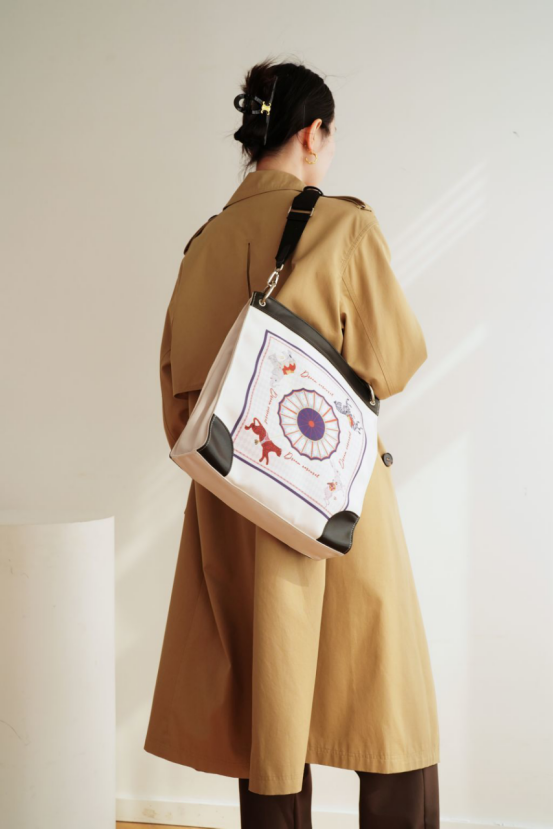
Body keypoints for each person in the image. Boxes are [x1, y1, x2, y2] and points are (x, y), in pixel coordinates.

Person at [144, 58, 440, 829]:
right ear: (312, 133)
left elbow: (177, 400)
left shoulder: (202, 245)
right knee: (388, 700)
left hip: (234, 506)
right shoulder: (343, 224)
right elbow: (393, 358)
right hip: (331, 501)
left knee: (269, 712)